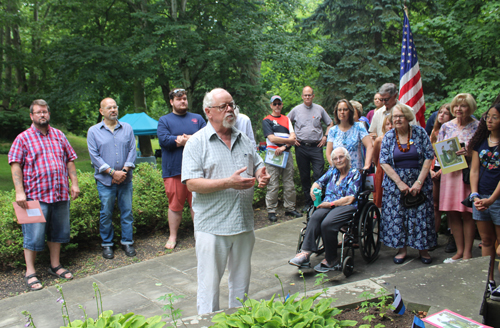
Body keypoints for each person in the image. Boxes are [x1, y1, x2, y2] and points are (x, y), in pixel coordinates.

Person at [181, 88, 270, 315]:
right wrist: (228, 182)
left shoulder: (244, 138)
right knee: (209, 288)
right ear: (209, 112)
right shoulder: (196, 143)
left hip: (243, 224)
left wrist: (262, 174)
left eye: (231, 105)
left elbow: (258, 163)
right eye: (224, 106)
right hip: (212, 227)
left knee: (241, 287)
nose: (230, 109)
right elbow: (191, 183)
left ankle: (239, 321)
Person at [8, 99, 79, 291]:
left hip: (60, 194)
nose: (42, 115)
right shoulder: (23, 138)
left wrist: (75, 184)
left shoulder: (59, 135)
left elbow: (70, 160)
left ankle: (55, 265)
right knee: (33, 235)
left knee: (58, 232)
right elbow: (15, 164)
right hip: (34, 198)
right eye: (38, 112)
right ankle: (30, 272)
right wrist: (19, 191)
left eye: (45, 112)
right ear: (31, 116)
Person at [288, 147, 361, 272]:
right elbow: (318, 182)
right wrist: (313, 189)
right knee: (315, 217)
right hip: (328, 204)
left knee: (327, 223)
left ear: (347, 158)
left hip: (345, 206)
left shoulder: (355, 173)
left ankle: (331, 259)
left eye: (341, 157)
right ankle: (305, 253)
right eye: (335, 158)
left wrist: (331, 204)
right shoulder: (332, 172)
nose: (338, 160)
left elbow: (350, 198)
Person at [379, 104, 436, 264]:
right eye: (394, 116)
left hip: (420, 182)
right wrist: (399, 183)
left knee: (421, 216)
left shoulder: (420, 133)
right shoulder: (389, 137)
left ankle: (423, 249)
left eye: (400, 116)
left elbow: (428, 156)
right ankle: (401, 250)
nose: (397, 119)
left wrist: (419, 182)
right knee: (398, 217)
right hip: (395, 185)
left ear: (408, 117)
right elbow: (383, 161)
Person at [87, 98, 137, 259]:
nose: (113, 110)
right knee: (106, 213)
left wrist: (123, 171)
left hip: (125, 179)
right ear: (101, 111)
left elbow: (132, 150)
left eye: (115, 107)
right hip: (105, 181)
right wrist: (111, 172)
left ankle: (127, 241)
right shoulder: (93, 131)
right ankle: (107, 244)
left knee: (127, 212)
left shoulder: (127, 128)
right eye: (109, 108)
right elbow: (94, 156)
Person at [157, 88, 206, 249]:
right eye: (179, 99)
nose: (182, 101)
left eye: (184, 98)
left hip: (197, 171)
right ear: (171, 102)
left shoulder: (197, 118)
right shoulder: (164, 120)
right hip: (174, 171)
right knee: (175, 206)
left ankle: (200, 234)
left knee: (197, 205)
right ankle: (172, 237)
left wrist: (185, 140)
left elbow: (206, 137)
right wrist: (191, 139)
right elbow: (164, 140)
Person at [438, 93, 479, 263]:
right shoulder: (446, 126)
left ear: (470, 108)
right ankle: (459, 251)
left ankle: (468, 253)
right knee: (452, 213)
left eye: (463, 106)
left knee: (467, 213)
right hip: (450, 174)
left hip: (468, 175)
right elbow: (438, 149)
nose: (458, 109)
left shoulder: (477, 126)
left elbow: (481, 151)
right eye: (456, 106)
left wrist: (469, 153)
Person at [469, 104, 500, 299]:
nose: (489, 120)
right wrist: (475, 195)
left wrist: (491, 199)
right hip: (480, 198)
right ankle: (488, 281)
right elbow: (474, 170)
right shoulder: (480, 142)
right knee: (486, 240)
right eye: (488, 117)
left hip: (496, 199)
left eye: (494, 117)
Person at [288, 86, 334, 210]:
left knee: (319, 174)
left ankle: (318, 201)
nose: (307, 97)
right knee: (304, 176)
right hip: (301, 147)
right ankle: (308, 203)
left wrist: (325, 137)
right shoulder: (296, 110)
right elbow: (286, 123)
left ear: (313, 96)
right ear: (302, 96)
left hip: (316, 147)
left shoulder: (319, 109)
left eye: (309, 95)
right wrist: (292, 138)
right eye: (305, 95)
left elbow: (330, 123)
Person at [262, 95, 302, 222]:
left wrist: (284, 146)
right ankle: (271, 210)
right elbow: (271, 138)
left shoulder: (286, 119)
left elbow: (293, 137)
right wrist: (288, 140)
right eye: (275, 104)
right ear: (271, 106)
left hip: (286, 153)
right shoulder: (266, 120)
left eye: (279, 103)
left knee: (289, 183)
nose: (277, 106)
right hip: (272, 155)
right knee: (273, 183)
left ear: (282, 105)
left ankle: (290, 208)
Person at [326, 99, 373, 170]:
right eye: (339, 110)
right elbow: (328, 153)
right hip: (338, 172)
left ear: (350, 111)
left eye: (345, 109)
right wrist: (334, 166)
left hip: (356, 172)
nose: (342, 112)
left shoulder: (359, 127)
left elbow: (369, 146)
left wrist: (366, 165)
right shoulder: (333, 130)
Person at [429, 104, 453, 236]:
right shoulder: (434, 132)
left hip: (448, 169)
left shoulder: (452, 131)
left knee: (449, 205)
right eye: (440, 112)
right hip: (434, 168)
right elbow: (429, 154)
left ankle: (451, 234)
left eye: (446, 113)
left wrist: (443, 170)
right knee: (435, 205)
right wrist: (431, 171)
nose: (442, 115)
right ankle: (434, 233)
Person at [372, 115, 393, 208]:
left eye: (392, 124)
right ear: (384, 126)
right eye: (387, 124)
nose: (390, 126)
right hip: (382, 171)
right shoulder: (379, 140)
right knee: (380, 197)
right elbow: (375, 157)